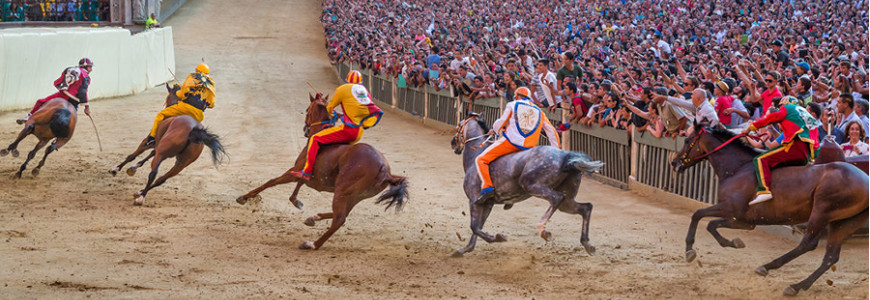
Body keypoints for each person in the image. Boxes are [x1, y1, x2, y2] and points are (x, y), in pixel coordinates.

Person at [290, 70, 383, 180]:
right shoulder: (364, 91)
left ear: (347, 80)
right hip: (359, 132)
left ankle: (307, 172)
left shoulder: (342, 89)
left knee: (315, 139)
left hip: (348, 131)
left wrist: (332, 111)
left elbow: (329, 108)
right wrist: (343, 116)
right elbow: (356, 110)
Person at [475, 87, 560, 204]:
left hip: (510, 142)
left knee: (481, 160)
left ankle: (487, 187)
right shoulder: (540, 111)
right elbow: (552, 132)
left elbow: (501, 121)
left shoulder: (512, 104)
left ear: (517, 96)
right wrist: (557, 151)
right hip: (529, 149)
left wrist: (494, 130)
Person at [742, 96, 821, 205]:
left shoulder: (787, 108)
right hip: (806, 154)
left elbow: (770, 118)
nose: (780, 109)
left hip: (795, 148)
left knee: (760, 159)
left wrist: (751, 127)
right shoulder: (805, 115)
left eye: (780, 107)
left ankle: (763, 190)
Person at [146, 64, 215, 145]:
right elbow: (212, 104)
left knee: (160, 115)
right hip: (199, 114)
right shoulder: (211, 84)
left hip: (185, 108)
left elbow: (183, 94)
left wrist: (178, 92)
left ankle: (152, 138)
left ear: (197, 70)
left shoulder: (193, 77)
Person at [18, 58, 93, 124]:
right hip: (74, 102)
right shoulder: (86, 77)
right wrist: (87, 107)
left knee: (40, 102)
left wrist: (62, 89)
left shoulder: (70, 70)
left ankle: (29, 117)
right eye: (90, 67)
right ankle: (59, 139)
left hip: (63, 95)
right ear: (85, 66)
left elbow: (56, 82)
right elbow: (83, 92)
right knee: (71, 121)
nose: (91, 69)